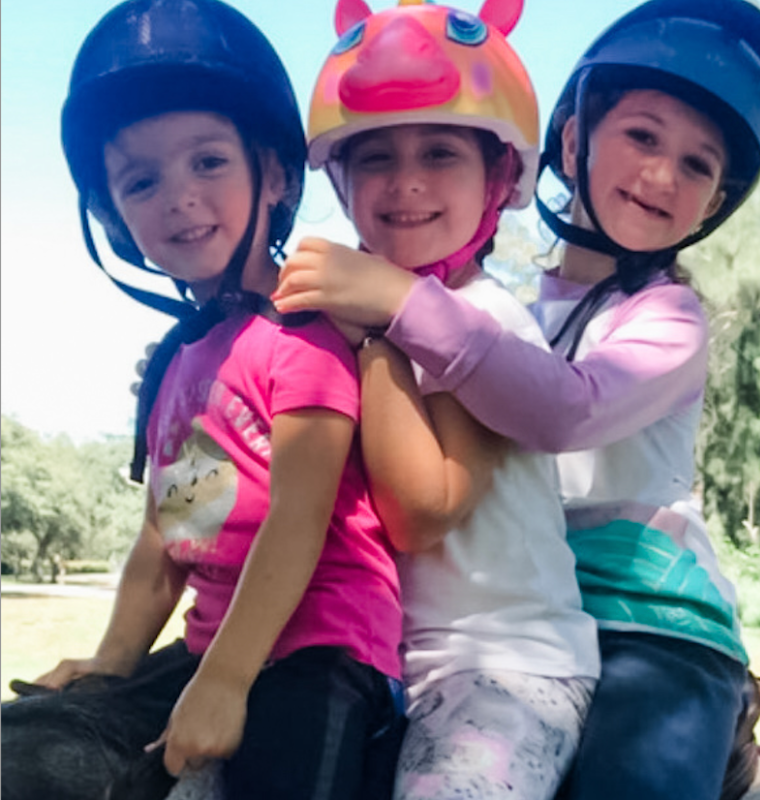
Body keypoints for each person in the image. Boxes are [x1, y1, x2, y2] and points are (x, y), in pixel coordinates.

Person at [272, 1, 760, 799]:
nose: (662, 174)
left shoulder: (669, 318)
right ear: (574, 142)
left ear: (715, 202)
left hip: (656, 628)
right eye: (643, 136)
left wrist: (394, 298)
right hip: (542, 623)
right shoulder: (506, 312)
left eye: (698, 165)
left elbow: (563, 411)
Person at [0, 2, 403, 799]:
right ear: (115, 215)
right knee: (30, 752)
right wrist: (112, 662)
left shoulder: (303, 332)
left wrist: (223, 681)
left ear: (275, 174)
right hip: (216, 650)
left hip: (324, 650)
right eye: (141, 180)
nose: (177, 196)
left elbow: (298, 516)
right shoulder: (185, 361)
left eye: (208, 162)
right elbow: (174, 532)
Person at [281, 1, 600, 798]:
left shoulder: (486, 322)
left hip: (508, 665)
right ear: (342, 181)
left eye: (440, 152)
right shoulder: (344, 319)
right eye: (375, 157)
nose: (407, 182)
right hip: (381, 661)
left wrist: (378, 329)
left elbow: (421, 511)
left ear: (499, 178)